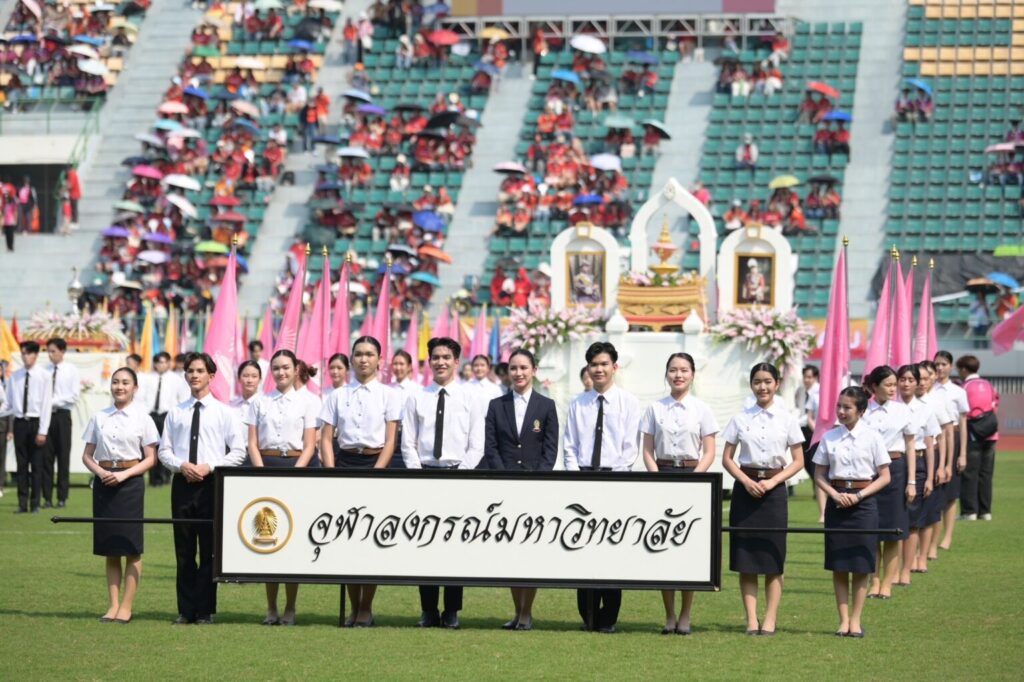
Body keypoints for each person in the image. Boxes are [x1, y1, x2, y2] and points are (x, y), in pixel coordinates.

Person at [402, 337, 486, 629]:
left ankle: (451, 610)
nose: (440, 362)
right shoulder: (416, 397)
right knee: (425, 545)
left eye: (446, 357)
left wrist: (461, 474)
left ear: (456, 361)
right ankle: (428, 609)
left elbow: (477, 444)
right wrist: (417, 473)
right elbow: (408, 443)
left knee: (454, 547)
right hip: (424, 473)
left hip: (458, 475)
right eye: (435, 357)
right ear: (429, 362)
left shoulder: (471, 398)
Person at [158, 352, 246, 625]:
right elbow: (164, 450)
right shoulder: (176, 412)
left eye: (199, 371)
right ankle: (185, 610)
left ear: (211, 375)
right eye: (189, 371)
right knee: (184, 550)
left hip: (211, 486)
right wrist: (181, 465)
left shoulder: (225, 413)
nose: (194, 375)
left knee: (209, 549)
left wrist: (210, 466)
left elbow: (238, 451)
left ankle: (205, 610)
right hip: (182, 484)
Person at [721, 362, 804, 636]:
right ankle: (751, 620)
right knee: (746, 558)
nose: (763, 386)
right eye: (757, 381)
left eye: (768, 381)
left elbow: (798, 460)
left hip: (774, 491)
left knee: (773, 557)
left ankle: (769, 618)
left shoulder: (788, 419)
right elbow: (727, 458)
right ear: (751, 384)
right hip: (745, 491)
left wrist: (772, 481)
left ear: (777, 384)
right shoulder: (740, 418)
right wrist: (746, 482)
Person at [563, 341, 641, 633]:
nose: (599, 369)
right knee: (581, 549)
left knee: (610, 551)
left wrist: (614, 481)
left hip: (614, 481)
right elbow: (569, 446)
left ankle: (608, 617)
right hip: (582, 480)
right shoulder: (577, 403)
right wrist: (575, 478)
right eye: (594, 364)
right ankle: (588, 616)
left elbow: (629, 448)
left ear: (614, 367)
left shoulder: (628, 403)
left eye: (604, 364)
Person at [641, 353, 718, 635]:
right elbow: (647, 450)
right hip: (662, 476)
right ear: (666, 374)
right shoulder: (654, 409)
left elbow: (709, 451)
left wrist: (696, 480)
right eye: (673, 370)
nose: (678, 375)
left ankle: (686, 613)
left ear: (692, 374)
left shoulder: (702, 409)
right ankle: (669, 614)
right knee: (664, 548)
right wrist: (656, 477)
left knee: (688, 550)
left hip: (692, 476)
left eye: (684, 370)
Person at [483, 348, 558, 631]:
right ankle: (517, 611)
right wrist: (506, 479)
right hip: (505, 489)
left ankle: (527, 612)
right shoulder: (496, 405)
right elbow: (491, 447)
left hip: (535, 489)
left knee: (531, 553)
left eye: (524, 367)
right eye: (514, 368)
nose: (519, 373)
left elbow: (550, 450)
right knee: (512, 553)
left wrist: (536, 482)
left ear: (534, 370)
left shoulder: (546, 406)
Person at [244, 349, 319, 626]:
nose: (281, 373)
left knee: (293, 541)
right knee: (268, 537)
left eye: (286, 367)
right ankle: (271, 607)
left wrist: (297, 473)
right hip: (266, 467)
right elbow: (252, 442)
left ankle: (290, 606)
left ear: (296, 368)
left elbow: (310, 444)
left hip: (296, 468)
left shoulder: (308, 403)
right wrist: (260, 472)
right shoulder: (259, 402)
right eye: (276, 368)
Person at [813, 386, 891, 638]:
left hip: (864, 505)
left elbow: (884, 476)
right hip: (837, 505)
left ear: (861, 410)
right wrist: (834, 495)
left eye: (847, 407)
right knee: (838, 565)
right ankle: (843, 619)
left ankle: (856, 620)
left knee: (860, 564)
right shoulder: (829, 437)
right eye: (839, 406)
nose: (841, 411)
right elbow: (819, 474)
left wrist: (859, 495)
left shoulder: (872, 437)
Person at [81, 367, 158, 624]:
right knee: (110, 548)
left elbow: (150, 459)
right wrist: (101, 473)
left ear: (135, 387)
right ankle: (112, 605)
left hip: (130, 484)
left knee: (131, 548)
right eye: (116, 382)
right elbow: (87, 455)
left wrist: (124, 476)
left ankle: (127, 606)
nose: (120, 386)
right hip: (104, 484)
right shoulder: (99, 417)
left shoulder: (143, 418)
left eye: (126, 382)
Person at [861, 366, 915, 600]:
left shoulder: (902, 411)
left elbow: (911, 445)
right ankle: (873, 580)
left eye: (896, 384)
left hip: (896, 470)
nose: (895, 389)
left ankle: (887, 584)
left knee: (893, 530)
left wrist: (912, 481)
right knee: (872, 528)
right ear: (874, 387)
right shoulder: (863, 411)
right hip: (868, 471)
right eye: (889, 385)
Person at [897, 363, 940, 583]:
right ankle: (893, 569)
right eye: (902, 379)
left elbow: (931, 444)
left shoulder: (925, 409)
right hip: (895, 464)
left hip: (921, 464)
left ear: (917, 383)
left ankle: (906, 569)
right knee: (895, 518)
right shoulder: (891, 408)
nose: (906, 384)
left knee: (913, 519)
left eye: (911, 380)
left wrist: (931, 477)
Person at [5, 341, 52, 513]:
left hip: (35, 422)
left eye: (28, 353)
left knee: (37, 464)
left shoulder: (43, 376)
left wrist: (42, 431)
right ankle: (22, 503)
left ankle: (35, 503)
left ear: (35, 355)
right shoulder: (14, 377)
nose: (25, 357)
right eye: (23, 353)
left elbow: (46, 405)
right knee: (21, 464)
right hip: (20, 423)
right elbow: (8, 404)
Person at [932, 350, 968, 554]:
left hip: (953, 437)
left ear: (951, 366)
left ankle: (947, 536)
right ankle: (931, 536)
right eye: (937, 364)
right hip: (934, 439)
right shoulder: (930, 389)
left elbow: (963, 423)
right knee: (935, 489)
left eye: (943, 364)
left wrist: (962, 453)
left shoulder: (958, 392)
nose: (939, 368)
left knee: (951, 493)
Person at [916, 360, 952, 566]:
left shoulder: (936, 403)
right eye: (917, 379)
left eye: (925, 378)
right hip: (913, 458)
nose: (921, 383)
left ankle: (925, 552)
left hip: (933, 456)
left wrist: (943, 465)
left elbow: (945, 435)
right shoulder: (904, 404)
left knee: (931, 509)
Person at [956, 355, 999, 521]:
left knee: (969, 473)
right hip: (991, 433)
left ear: (964, 369)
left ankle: (969, 511)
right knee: (986, 474)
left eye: (959, 369)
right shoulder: (988, 384)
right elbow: (995, 404)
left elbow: (963, 412)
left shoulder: (964, 387)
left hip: (973, 433)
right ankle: (985, 511)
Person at [140, 352, 190, 487]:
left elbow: (182, 399)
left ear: (169, 363)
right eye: (159, 362)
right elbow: (142, 397)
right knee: (150, 446)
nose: (161, 365)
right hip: (151, 414)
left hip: (167, 415)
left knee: (166, 445)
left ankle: (165, 475)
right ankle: (153, 477)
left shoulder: (176, 379)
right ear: (155, 364)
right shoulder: (147, 378)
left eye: (164, 362)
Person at [44, 337, 80, 508]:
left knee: (63, 457)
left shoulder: (71, 370)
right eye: (48, 351)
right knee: (46, 457)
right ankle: (47, 497)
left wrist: (53, 400)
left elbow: (74, 395)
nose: (50, 355)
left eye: (53, 351)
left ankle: (62, 497)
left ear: (62, 351)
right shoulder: (45, 370)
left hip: (62, 416)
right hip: (46, 416)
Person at [389, 349, 419, 470]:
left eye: (401, 364)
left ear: (409, 367)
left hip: (412, 437)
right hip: (391, 436)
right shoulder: (387, 389)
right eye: (395, 364)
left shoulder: (418, 390)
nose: (398, 367)